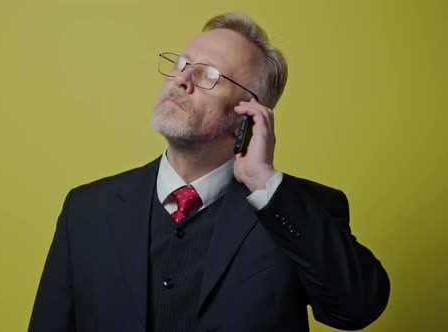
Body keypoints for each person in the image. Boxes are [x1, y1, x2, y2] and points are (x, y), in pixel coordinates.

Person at [28, 13, 390, 332]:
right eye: (181, 63)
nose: (181, 80)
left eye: (208, 75)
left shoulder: (300, 209)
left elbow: (356, 310)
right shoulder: (86, 210)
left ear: (247, 114)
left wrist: (265, 183)